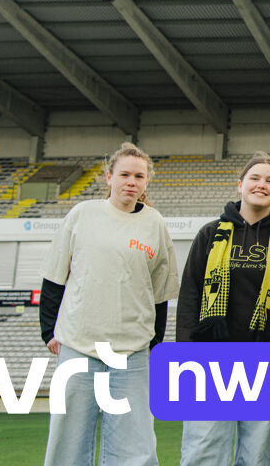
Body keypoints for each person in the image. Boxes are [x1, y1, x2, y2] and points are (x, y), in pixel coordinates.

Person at [38, 142, 179, 466]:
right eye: (125, 174)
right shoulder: (83, 214)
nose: (132, 181)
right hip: (79, 345)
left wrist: (153, 342)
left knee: (135, 447)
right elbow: (54, 277)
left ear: (147, 182)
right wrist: (49, 331)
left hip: (131, 352)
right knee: (67, 442)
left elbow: (160, 293)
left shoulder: (154, 223)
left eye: (139, 176)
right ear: (108, 177)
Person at [176, 152, 270, 466]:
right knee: (203, 453)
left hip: (268, 361)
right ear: (240, 185)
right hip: (209, 361)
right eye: (254, 178)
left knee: (257, 457)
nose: (261, 185)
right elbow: (189, 298)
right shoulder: (210, 234)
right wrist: (186, 354)